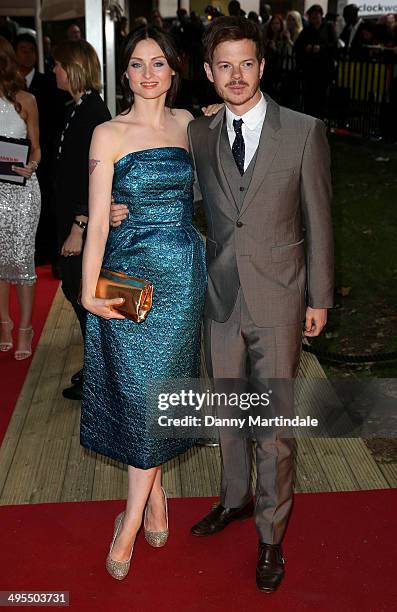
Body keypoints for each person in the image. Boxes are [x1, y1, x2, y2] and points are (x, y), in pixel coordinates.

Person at [112, 15, 333, 593]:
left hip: (282, 298)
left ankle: (270, 535)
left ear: (263, 65)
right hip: (219, 296)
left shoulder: (305, 131)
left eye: (247, 63)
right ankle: (233, 499)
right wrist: (119, 209)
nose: (237, 75)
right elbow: (167, 192)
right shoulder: (200, 134)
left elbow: (320, 219)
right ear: (209, 73)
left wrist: (321, 297)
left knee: (274, 427)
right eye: (225, 65)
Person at [80, 26, 207, 580]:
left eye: (159, 63)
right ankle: (151, 502)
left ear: (174, 70)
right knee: (138, 398)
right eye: (137, 64)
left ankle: (130, 520)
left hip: (180, 281)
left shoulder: (191, 124)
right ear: (124, 72)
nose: (149, 73)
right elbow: (97, 229)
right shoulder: (107, 134)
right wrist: (87, 290)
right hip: (127, 283)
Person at [52, 40, 111, 399]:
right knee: (73, 290)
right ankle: (96, 370)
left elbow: (95, 179)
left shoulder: (93, 113)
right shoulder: (78, 108)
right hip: (72, 218)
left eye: (58, 64)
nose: (54, 71)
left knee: (80, 292)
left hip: (83, 224)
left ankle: (100, 375)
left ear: (73, 67)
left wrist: (80, 226)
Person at [0, 36, 41, 359]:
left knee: (23, 261)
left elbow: (36, 147)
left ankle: (25, 329)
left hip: (23, 190)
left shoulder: (25, 99)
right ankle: (5, 324)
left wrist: (32, 165)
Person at [14, 33, 64, 270]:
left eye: (30, 50)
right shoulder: (7, 87)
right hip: (11, 157)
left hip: (41, 155)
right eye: (22, 49)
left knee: (45, 206)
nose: (27, 54)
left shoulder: (47, 83)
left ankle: (45, 252)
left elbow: (55, 121)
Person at [295, 4, 338, 118]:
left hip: (324, 69)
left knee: (322, 97)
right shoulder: (307, 29)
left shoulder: (328, 27)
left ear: (321, 15)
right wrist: (306, 47)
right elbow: (298, 45)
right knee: (309, 97)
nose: (314, 19)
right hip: (309, 69)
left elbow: (334, 45)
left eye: (316, 16)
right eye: (312, 16)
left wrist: (321, 48)